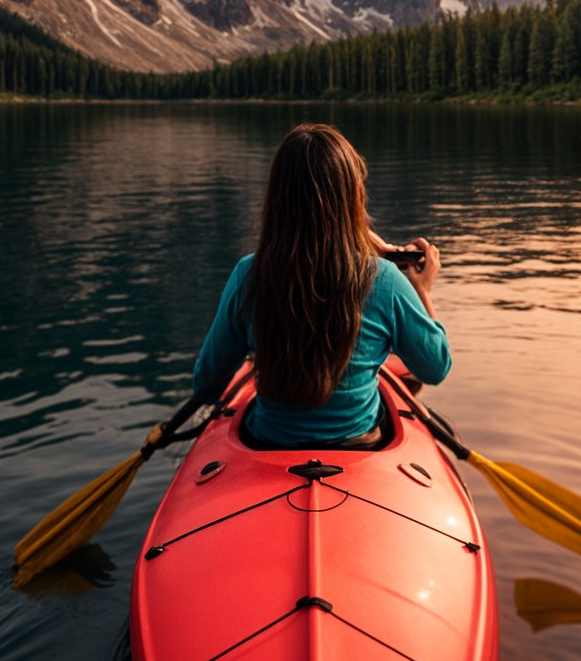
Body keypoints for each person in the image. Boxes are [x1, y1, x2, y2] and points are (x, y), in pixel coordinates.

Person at [188, 123, 451, 448]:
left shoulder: (248, 275)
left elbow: (207, 384)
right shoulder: (385, 279)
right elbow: (435, 368)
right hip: (360, 445)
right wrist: (422, 290)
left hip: (268, 444)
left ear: (277, 198)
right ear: (352, 197)